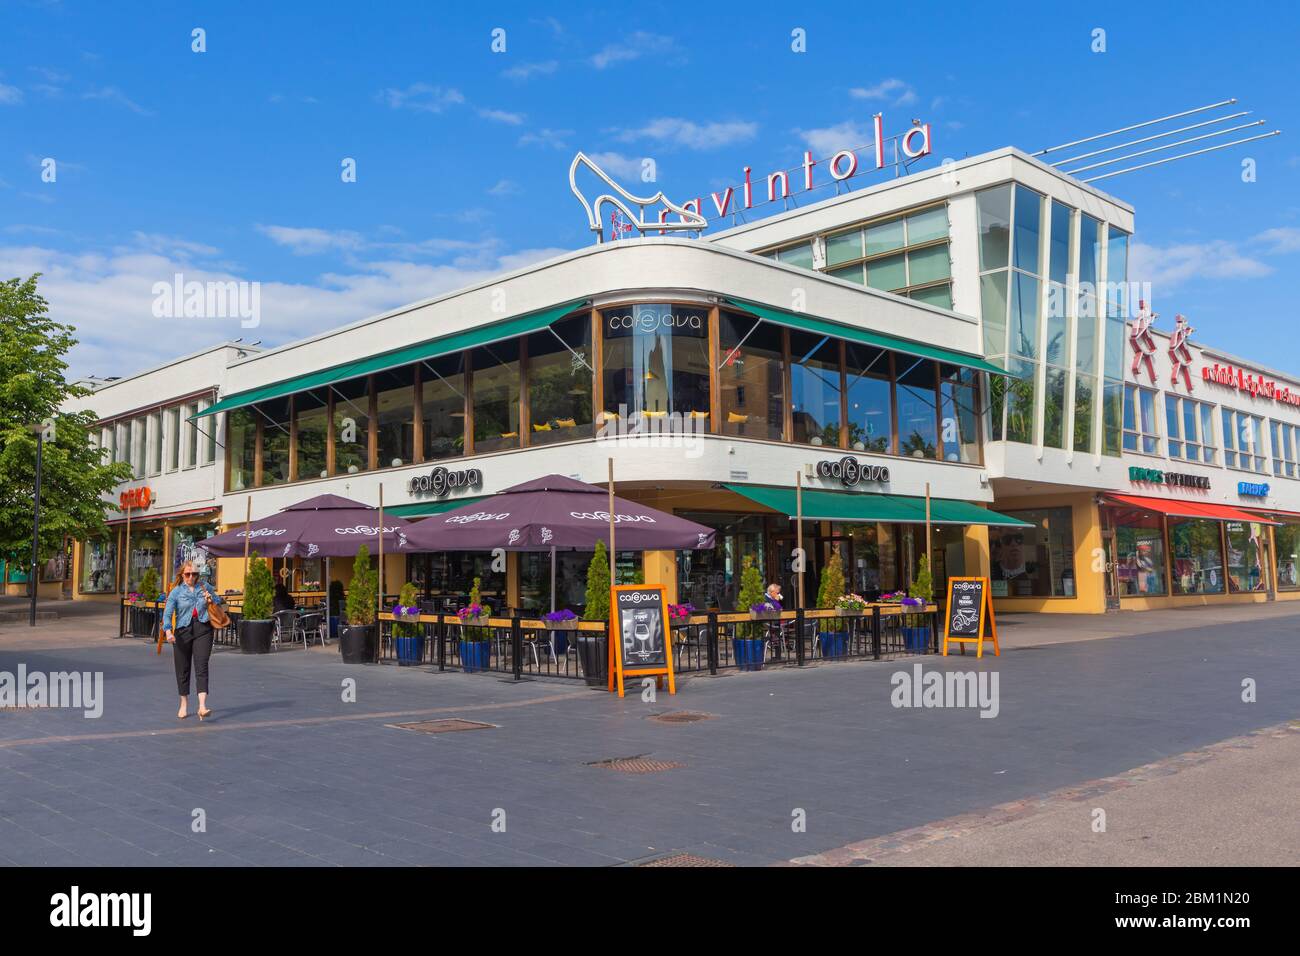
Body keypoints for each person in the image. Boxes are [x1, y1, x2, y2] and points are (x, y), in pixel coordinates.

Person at [162, 561, 224, 721]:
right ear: (182, 575)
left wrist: (211, 599)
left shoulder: (205, 587)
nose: (191, 577)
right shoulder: (176, 592)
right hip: (182, 632)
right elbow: (167, 614)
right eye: (188, 574)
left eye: (194, 574)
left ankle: (202, 706)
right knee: (183, 669)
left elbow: (218, 602)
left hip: (203, 629)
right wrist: (168, 632)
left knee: (202, 666)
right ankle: (183, 703)